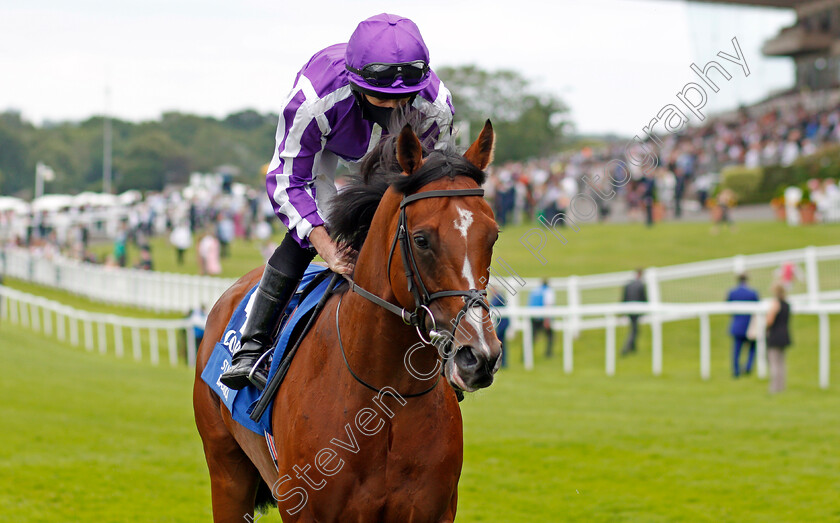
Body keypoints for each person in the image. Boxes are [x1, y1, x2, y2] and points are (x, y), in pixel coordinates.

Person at [220, 13, 454, 390]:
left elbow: (434, 188)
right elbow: (287, 180)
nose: (394, 108)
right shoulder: (313, 99)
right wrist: (326, 246)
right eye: (382, 97)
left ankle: (446, 343)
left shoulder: (435, 107)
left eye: (403, 98)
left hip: (392, 152)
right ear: (357, 83)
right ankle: (252, 345)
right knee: (316, 229)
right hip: (328, 145)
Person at [726, 273, 759, 378]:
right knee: (752, 348)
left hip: (737, 325)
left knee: (736, 350)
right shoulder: (752, 293)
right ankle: (748, 367)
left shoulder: (732, 292)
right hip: (750, 326)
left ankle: (736, 371)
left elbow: (728, 307)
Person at [766, 282, 792, 394]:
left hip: (775, 335)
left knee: (774, 362)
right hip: (785, 335)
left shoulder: (775, 304)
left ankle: (774, 388)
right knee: (781, 362)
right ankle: (781, 386)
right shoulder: (787, 304)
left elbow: (769, 320)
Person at [620, 268, 647, 356]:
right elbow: (643, 298)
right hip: (636, 310)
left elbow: (624, 298)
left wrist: (622, 310)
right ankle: (626, 349)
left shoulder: (628, 284)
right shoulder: (640, 285)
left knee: (634, 329)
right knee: (634, 330)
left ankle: (633, 348)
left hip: (629, 309)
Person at [528, 279, 554, 358]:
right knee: (550, 335)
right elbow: (548, 305)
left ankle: (525, 355)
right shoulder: (548, 291)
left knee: (531, 337)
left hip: (532, 316)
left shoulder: (535, 291)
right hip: (541, 317)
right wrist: (547, 320)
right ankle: (548, 353)